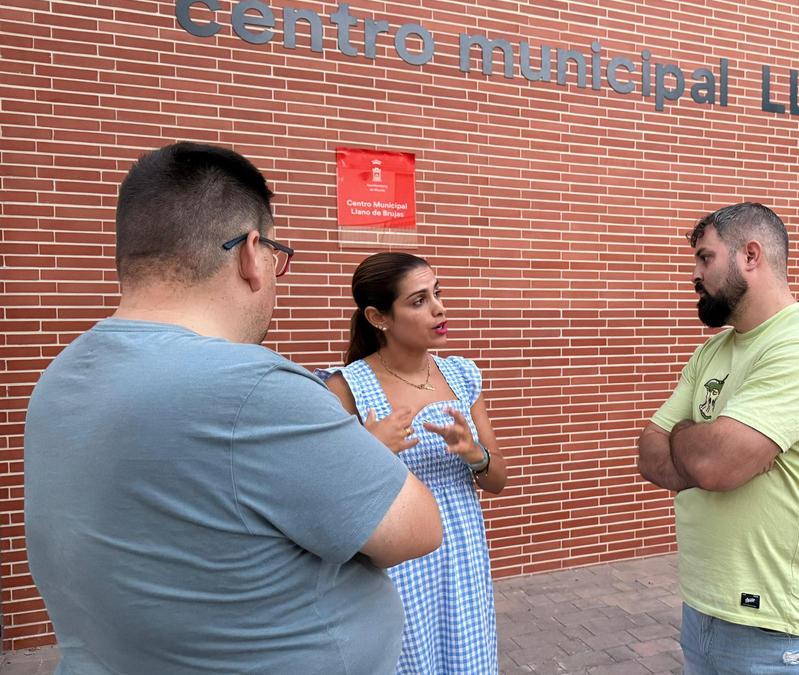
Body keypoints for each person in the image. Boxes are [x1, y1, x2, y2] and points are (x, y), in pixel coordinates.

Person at [23, 142, 443, 674]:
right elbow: (416, 528)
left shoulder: (61, 375)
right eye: (276, 258)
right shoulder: (254, 389)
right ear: (251, 253)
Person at [636, 202, 799, 674]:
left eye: (705, 258)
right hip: (705, 609)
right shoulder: (713, 350)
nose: (694, 275)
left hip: (784, 630)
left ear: (751, 255)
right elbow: (649, 452)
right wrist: (701, 447)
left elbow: (715, 466)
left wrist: (695, 444)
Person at [323, 251, 508, 674]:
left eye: (437, 293)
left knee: (467, 658)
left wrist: (474, 453)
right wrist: (370, 452)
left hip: (461, 550)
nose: (439, 308)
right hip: (395, 556)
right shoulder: (347, 387)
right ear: (378, 317)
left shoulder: (461, 376)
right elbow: (328, 499)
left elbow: (498, 480)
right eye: (418, 300)